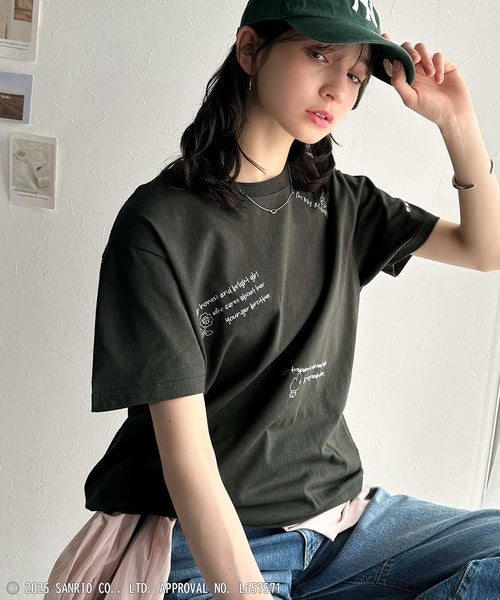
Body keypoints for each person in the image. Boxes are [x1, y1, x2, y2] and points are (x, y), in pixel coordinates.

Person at [47, 1, 500, 599]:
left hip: (343, 528)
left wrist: (457, 122)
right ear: (250, 50)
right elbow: (190, 465)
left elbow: (485, 248)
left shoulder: (342, 205)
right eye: (319, 54)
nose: (338, 89)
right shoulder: (160, 228)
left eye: (356, 75)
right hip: (208, 542)